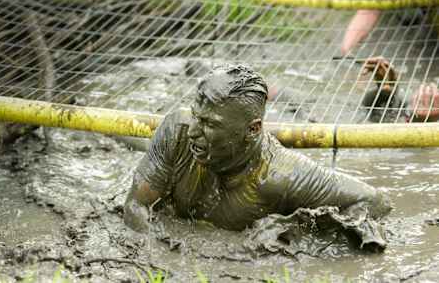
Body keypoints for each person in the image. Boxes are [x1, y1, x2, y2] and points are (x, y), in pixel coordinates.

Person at [124, 64, 391, 239]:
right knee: (131, 140)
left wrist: (296, 231)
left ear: (253, 130)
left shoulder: (282, 174)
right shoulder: (178, 130)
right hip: (168, 159)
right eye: (196, 116)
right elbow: (136, 206)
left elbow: (375, 201)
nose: (194, 130)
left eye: (209, 124)